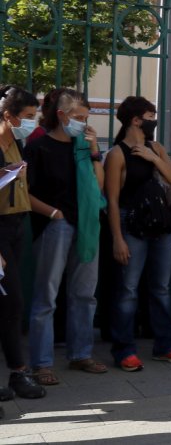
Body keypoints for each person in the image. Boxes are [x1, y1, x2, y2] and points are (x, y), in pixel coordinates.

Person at [25, 88, 107, 383]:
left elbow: (98, 187)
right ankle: (42, 363)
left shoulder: (83, 146)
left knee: (84, 294)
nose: (83, 123)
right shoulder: (39, 147)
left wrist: (94, 150)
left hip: (86, 225)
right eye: (78, 117)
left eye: (86, 118)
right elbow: (24, 193)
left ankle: (81, 354)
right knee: (46, 297)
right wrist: (54, 214)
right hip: (54, 226)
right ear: (61, 115)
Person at [105, 97, 171, 371]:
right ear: (136, 120)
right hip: (131, 224)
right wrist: (117, 238)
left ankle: (166, 345)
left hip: (161, 223)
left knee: (161, 288)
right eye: (151, 116)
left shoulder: (156, 147)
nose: (154, 120)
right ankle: (124, 349)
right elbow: (112, 200)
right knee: (128, 290)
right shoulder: (117, 154)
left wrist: (154, 158)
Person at [0, 86, 47, 400]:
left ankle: (17, 373)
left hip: (16, 225)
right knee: (12, 300)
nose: (32, 122)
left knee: (11, 303)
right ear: (9, 116)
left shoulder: (16, 143)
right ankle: (18, 371)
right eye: (28, 116)